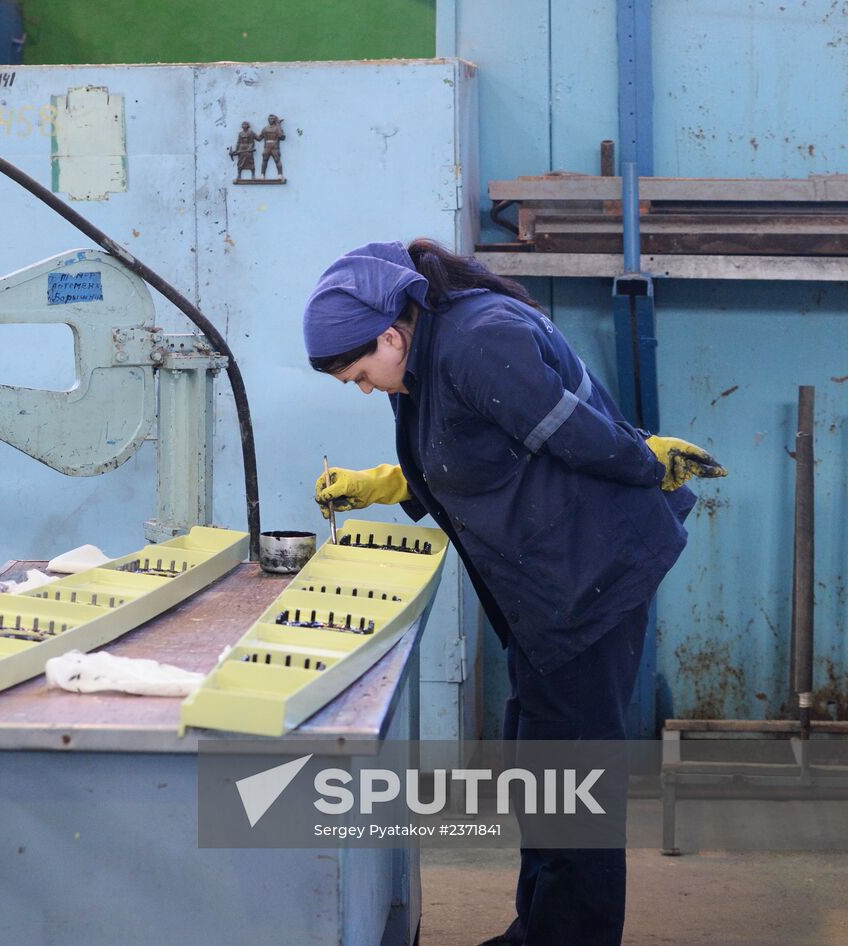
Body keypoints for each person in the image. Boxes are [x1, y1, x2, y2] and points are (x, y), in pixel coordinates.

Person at [304, 240, 725, 946]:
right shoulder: (428, 355)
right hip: (545, 585)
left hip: (590, 579)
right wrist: (390, 482)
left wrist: (643, 459)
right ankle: (541, 930)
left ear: (389, 333)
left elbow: (578, 437)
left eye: (360, 374)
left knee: (575, 791)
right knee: (541, 769)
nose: (365, 387)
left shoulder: (476, 340)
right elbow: (477, 450)